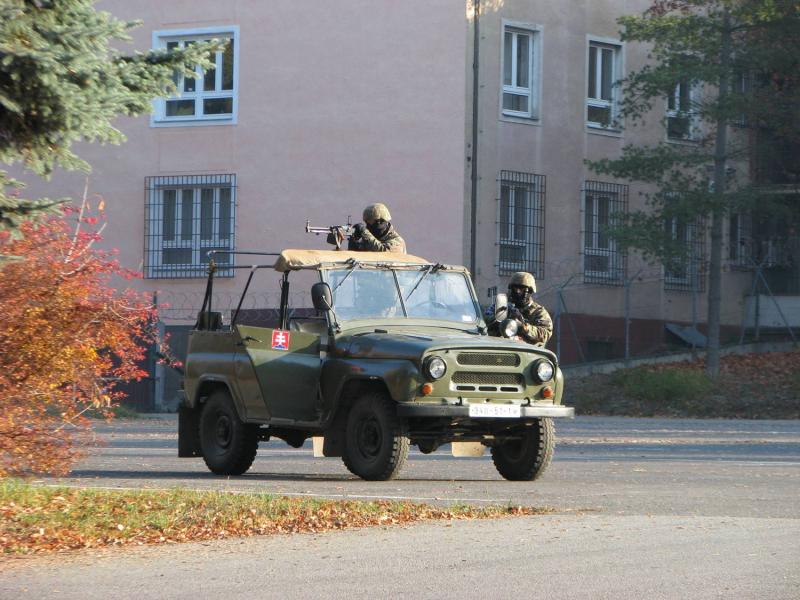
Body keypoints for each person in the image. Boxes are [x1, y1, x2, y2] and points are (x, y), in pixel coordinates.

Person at [485, 272, 553, 346]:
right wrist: (503, 320)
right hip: (501, 347)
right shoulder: (502, 306)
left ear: (530, 290)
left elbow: (545, 333)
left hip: (526, 350)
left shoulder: (538, 312)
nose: (517, 291)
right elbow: (485, 320)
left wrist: (522, 326)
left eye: (522, 288)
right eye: (515, 288)